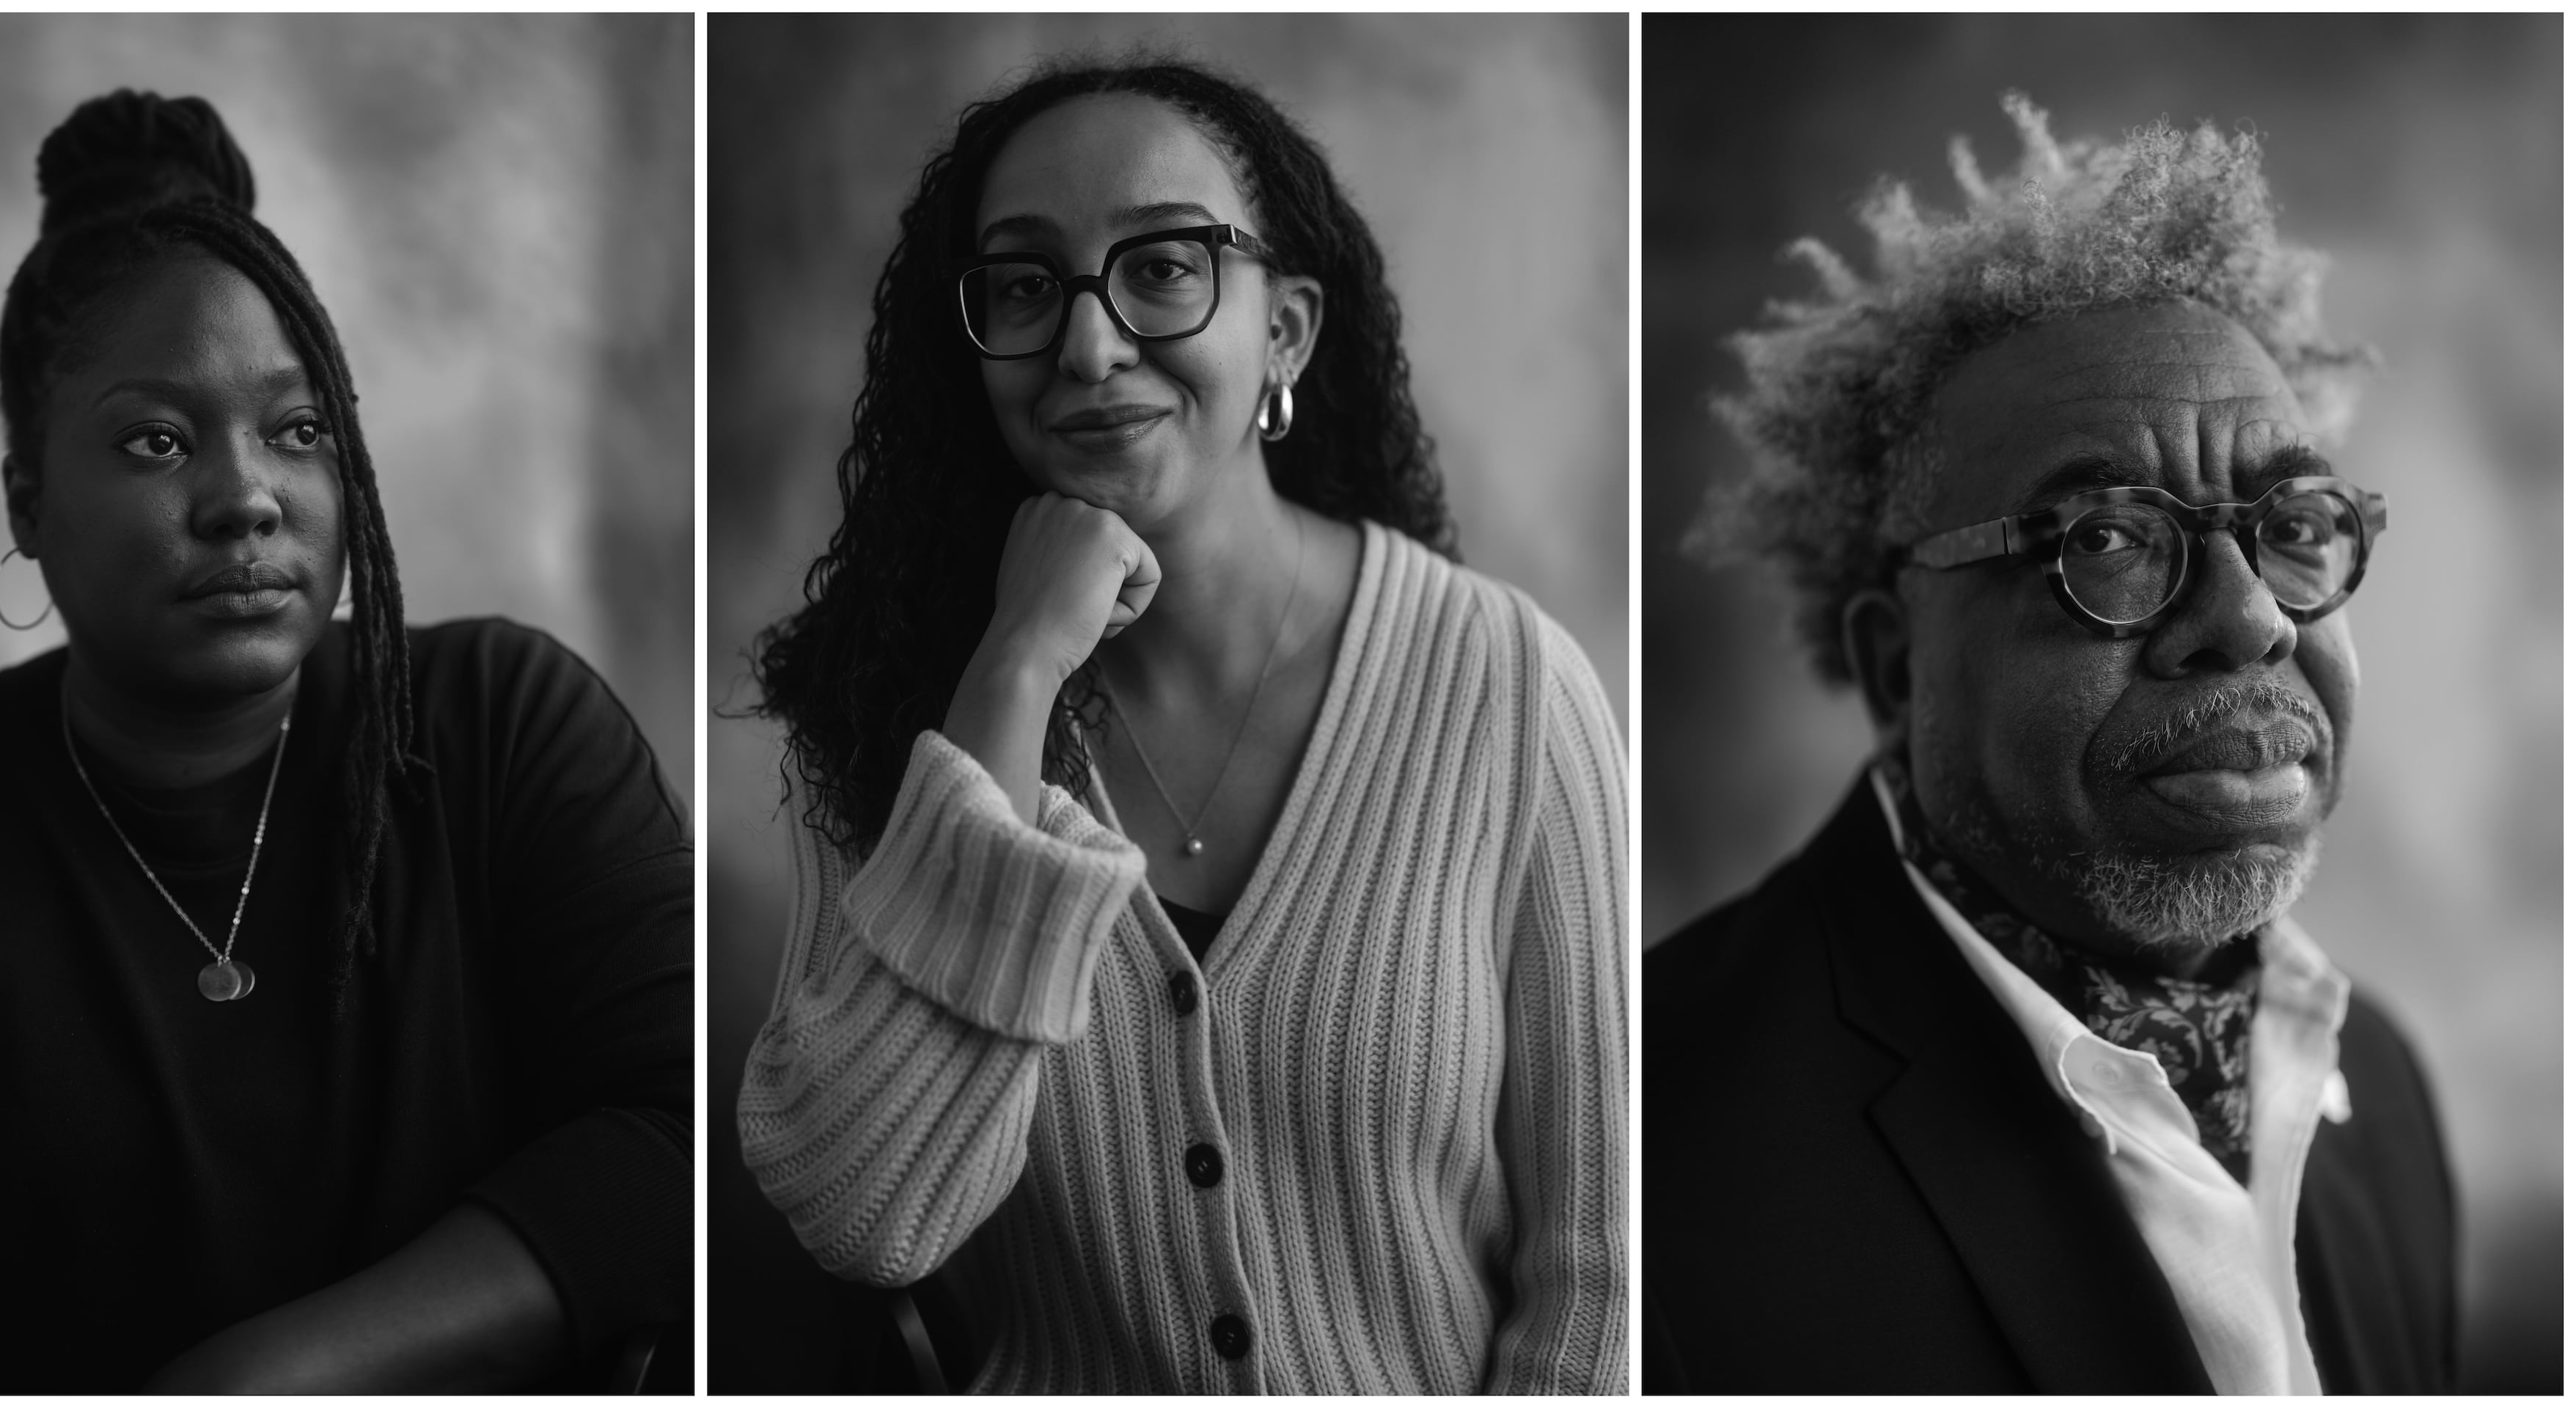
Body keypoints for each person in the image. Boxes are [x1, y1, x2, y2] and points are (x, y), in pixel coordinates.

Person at [0, 90, 692, 1392]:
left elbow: (685, 1140)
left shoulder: (499, 728)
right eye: (157, 440)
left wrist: (267, 1377)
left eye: (298, 430)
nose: (246, 497)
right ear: (27, 502)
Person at [739, 56, 1625, 1393]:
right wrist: (1014, 674)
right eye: (1027, 287)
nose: (1089, 347)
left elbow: (1595, 1291)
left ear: (1285, 333)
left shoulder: (1510, 690)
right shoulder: (883, 720)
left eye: (1164, 266)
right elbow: (870, 1214)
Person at [1646, 95, 2455, 1393]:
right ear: (1895, 664)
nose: (2248, 622)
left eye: (2293, 527)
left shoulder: (2389, 1096)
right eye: (2110, 542)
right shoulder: (1651, 1146)